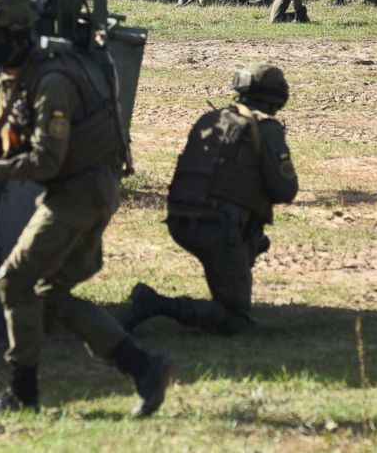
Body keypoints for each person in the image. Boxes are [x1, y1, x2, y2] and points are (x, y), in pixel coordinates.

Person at [0, 0, 171, 418]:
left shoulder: (51, 81)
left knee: (13, 279)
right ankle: (144, 368)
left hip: (82, 192)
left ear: (19, 33)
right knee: (48, 294)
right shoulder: (15, 75)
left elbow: (47, 160)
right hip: (79, 190)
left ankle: (23, 394)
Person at [120, 62, 299, 335]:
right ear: (277, 100)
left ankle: (237, 262)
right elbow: (285, 190)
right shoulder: (265, 129)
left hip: (181, 219)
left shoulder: (211, 118)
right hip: (217, 227)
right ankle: (154, 304)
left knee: (249, 244)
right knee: (236, 318)